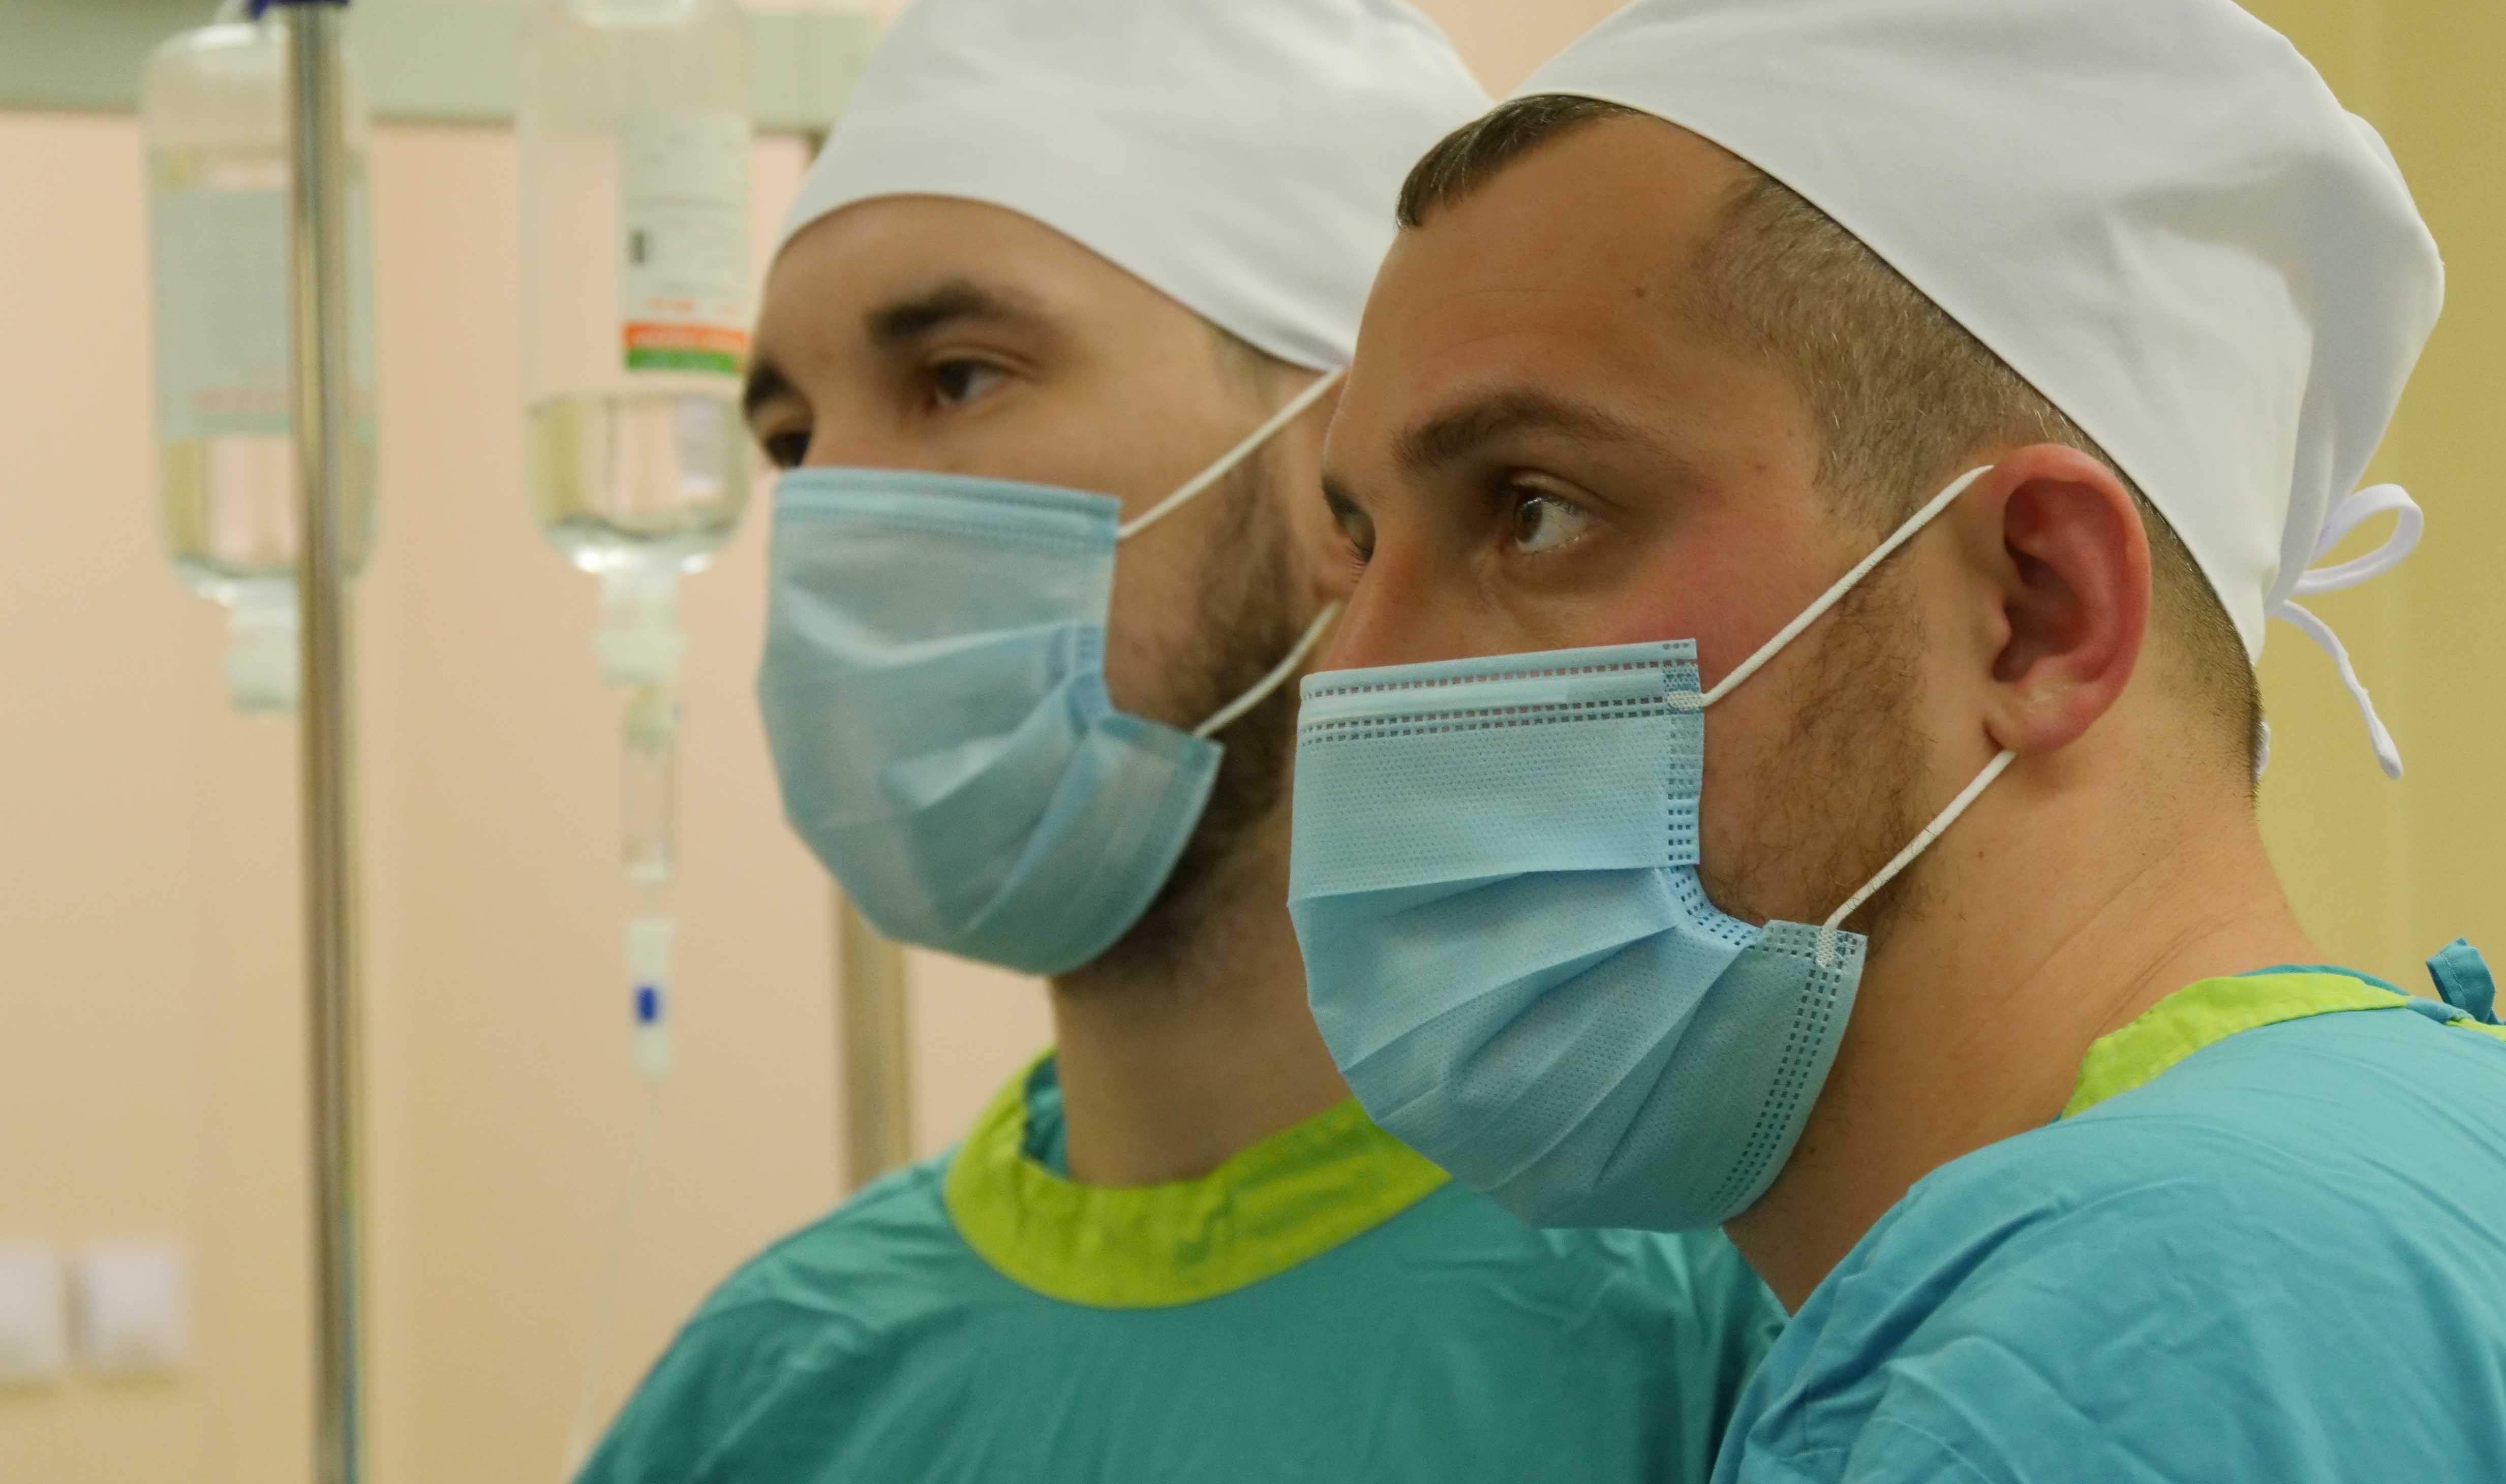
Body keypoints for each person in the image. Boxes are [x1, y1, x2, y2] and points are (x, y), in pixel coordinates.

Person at [1293, 0, 2506, 1479]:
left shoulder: (2105, 1354)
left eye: (1537, 512)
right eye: (1359, 547)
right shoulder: (2431, 1180)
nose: (1353, 673)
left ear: (2037, 607)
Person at [575, 2, 1782, 1479]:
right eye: (792, 442)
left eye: (956, 377)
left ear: (1351, 470)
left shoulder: (1738, 1339)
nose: (836, 512)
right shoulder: (770, 1393)